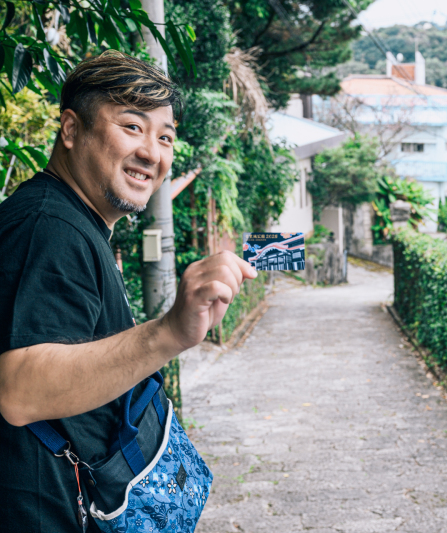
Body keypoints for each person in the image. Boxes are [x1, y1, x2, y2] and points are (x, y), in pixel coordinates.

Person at [0, 51, 257, 531]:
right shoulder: (49, 226)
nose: (152, 153)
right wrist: (169, 333)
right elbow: (20, 389)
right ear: (72, 130)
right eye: (132, 127)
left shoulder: (75, 222)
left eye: (165, 137)